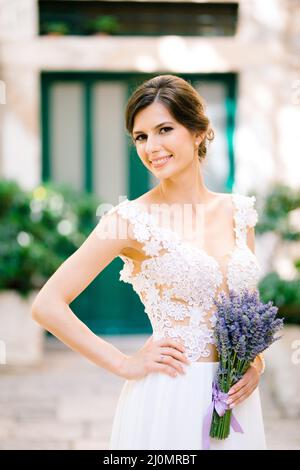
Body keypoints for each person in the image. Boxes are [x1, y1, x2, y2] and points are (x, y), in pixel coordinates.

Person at [31, 74, 266, 450]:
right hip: (169, 397)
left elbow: (249, 310)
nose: (151, 146)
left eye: (164, 129)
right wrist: (123, 364)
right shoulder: (128, 221)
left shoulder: (239, 212)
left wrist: (255, 365)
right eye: (141, 137)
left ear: (199, 132)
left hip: (236, 400)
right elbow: (47, 305)